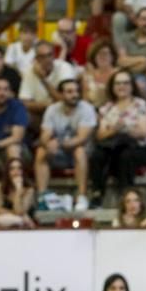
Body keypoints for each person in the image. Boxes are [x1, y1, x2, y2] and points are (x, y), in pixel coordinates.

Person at [90, 69, 146, 203]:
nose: (122, 86)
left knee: (125, 155)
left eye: (126, 83)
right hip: (112, 148)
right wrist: (115, 130)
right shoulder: (107, 108)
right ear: (112, 87)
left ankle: (127, 195)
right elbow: (101, 135)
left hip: (140, 148)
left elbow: (143, 132)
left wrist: (123, 128)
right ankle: (97, 193)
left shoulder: (140, 104)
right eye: (118, 83)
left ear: (132, 86)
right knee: (96, 155)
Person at [34, 79, 97, 210]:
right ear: (61, 95)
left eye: (76, 91)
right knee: (41, 151)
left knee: (79, 150)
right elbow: (45, 134)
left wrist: (59, 143)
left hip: (83, 152)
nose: (74, 95)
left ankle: (81, 196)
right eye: (69, 92)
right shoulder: (52, 109)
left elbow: (82, 138)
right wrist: (47, 144)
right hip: (60, 151)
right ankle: (42, 197)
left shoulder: (87, 109)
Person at [19, 40, 79, 117]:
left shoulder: (64, 67)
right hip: (41, 114)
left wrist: (43, 79)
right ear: (36, 58)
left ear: (54, 55)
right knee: (24, 115)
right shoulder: (29, 72)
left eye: (49, 55)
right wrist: (47, 106)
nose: (47, 59)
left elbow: (67, 101)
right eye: (42, 56)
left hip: (65, 114)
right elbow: (24, 103)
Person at [0, 158, 36, 229]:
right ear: (7, 172)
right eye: (12, 169)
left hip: (25, 226)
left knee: (19, 220)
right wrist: (15, 214)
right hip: (10, 220)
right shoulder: (0, 186)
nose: (16, 172)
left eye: (19, 169)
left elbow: (19, 211)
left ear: (23, 171)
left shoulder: (29, 189)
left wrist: (18, 191)